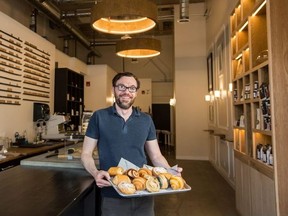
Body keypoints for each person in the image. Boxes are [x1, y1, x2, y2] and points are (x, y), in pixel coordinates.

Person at [81, 72, 182, 216]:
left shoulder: (146, 120)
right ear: (113, 89)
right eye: (121, 87)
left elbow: (156, 156)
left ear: (136, 93)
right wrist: (95, 173)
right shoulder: (99, 117)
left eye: (132, 88)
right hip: (112, 193)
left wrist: (170, 172)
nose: (126, 92)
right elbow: (86, 154)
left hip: (143, 192)